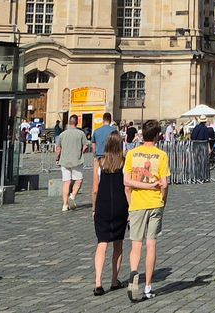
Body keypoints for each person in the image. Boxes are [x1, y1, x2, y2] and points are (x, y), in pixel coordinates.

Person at [124, 120, 170, 304]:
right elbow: (165, 185)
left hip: (136, 204)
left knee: (136, 245)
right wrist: (162, 201)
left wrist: (130, 203)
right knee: (151, 244)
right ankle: (148, 287)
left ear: (142, 134)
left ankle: (134, 273)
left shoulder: (132, 154)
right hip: (155, 203)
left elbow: (126, 183)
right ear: (158, 135)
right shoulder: (161, 155)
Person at [92, 133, 130, 295]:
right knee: (118, 245)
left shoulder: (99, 163)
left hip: (103, 206)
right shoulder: (124, 162)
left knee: (102, 244)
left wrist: (94, 208)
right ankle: (114, 280)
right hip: (120, 206)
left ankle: (98, 282)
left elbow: (95, 189)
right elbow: (127, 187)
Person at [56, 114, 90, 212]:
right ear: (77, 123)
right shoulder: (81, 133)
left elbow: (58, 148)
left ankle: (65, 204)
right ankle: (72, 196)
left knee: (66, 182)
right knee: (78, 180)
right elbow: (85, 146)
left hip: (64, 161)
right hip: (77, 160)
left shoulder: (62, 134)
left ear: (68, 123)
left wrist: (57, 158)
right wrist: (81, 152)